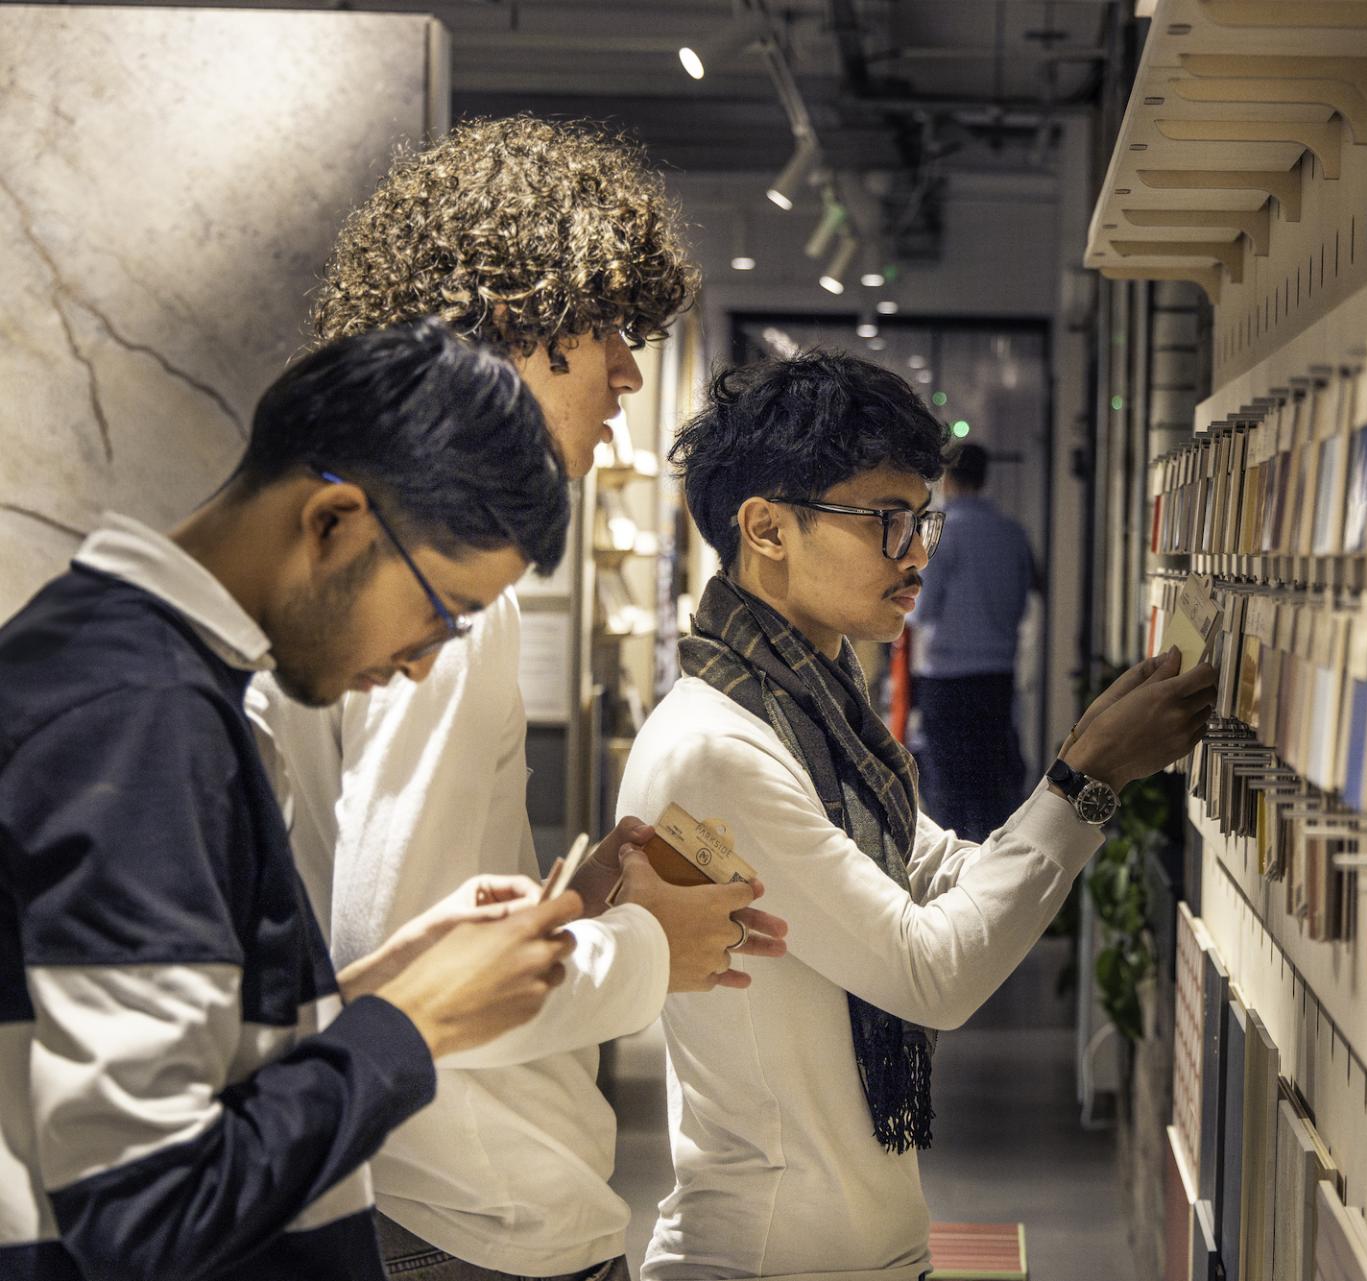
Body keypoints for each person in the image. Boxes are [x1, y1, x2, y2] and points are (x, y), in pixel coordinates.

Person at [250, 116, 787, 1281]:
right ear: (514, 323)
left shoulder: (344, 531)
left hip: (415, 1191)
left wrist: (582, 902)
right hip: (465, 1209)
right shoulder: (441, 583)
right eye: (610, 332)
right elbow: (415, 976)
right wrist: (650, 944)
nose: (630, 374)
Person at [0, 319, 590, 1280]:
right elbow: (152, 1208)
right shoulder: (144, 715)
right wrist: (416, 1021)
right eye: (442, 611)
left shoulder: (120, 662)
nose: (421, 663)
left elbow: (175, 1072)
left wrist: (375, 988)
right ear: (334, 521)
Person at [621, 351, 1217, 1281]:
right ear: (767, 528)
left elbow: (942, 870)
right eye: (886, 521)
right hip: (769, 1261)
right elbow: (929, 970)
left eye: (921, 519)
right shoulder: (718, 750)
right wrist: (1086, 779)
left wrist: (1080, 768)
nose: (917, 554)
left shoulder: (817, 712)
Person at [910, 441, 1038, 841]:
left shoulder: (943, 534)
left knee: (948, 790)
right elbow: (1024, 601)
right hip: (997, 676)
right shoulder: (1013, 533)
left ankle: (956, 871)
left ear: (947, 479)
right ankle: (993, 862)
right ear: (984, 478)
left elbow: (922, 610)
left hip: (947, 678)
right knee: (992, 785)